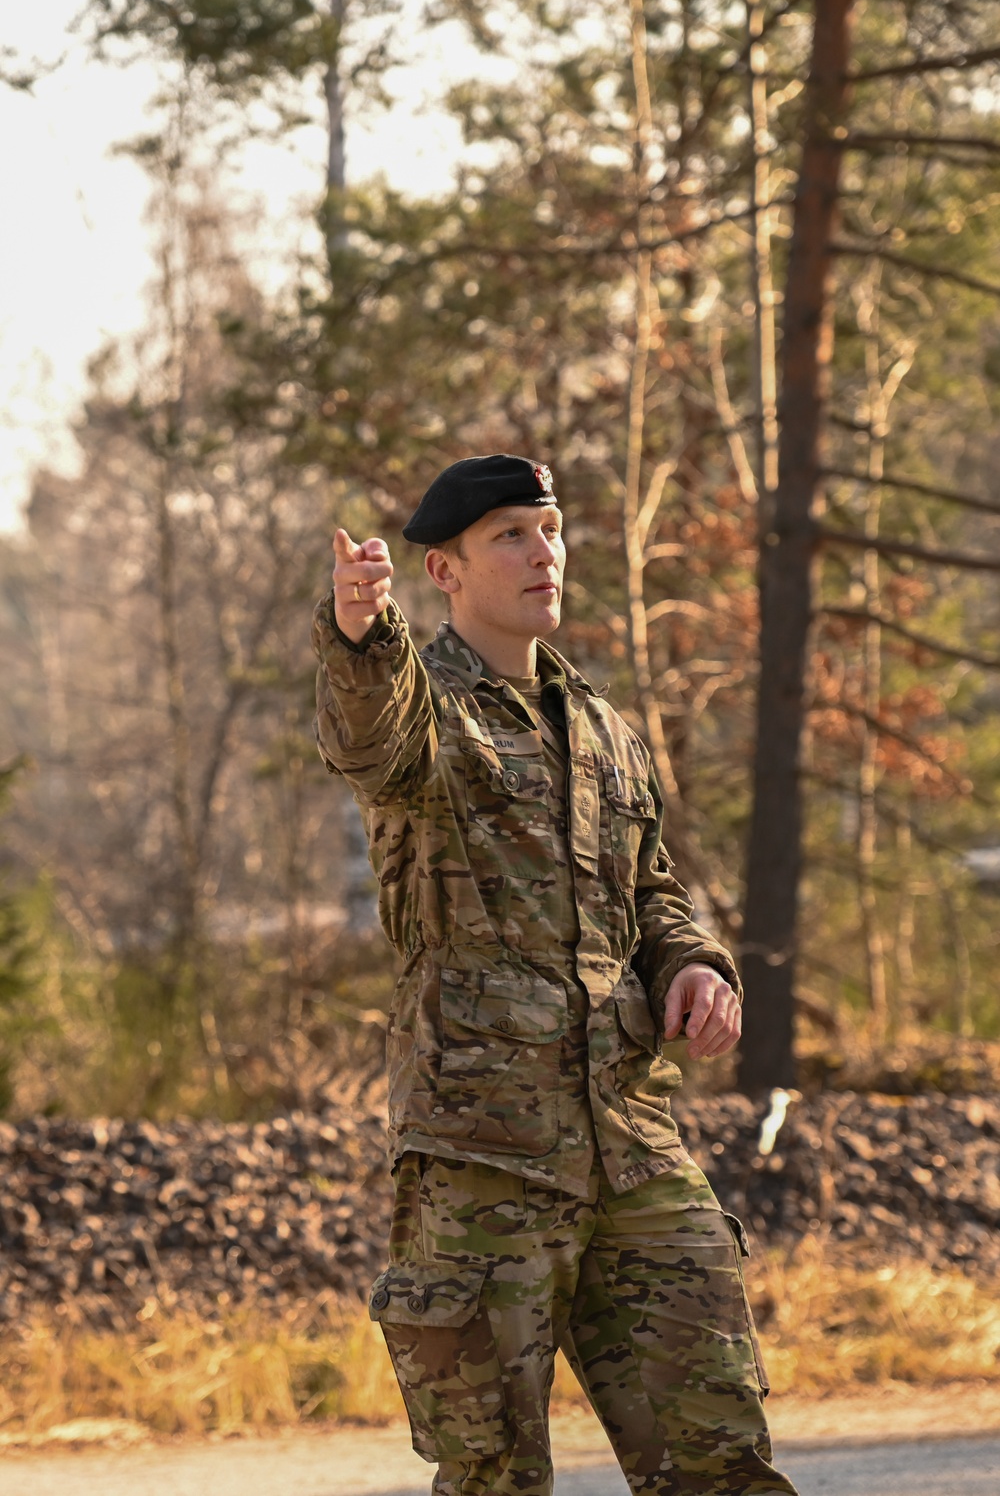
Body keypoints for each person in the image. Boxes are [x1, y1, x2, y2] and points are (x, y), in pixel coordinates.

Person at [312, 454, 798, 1496]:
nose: (543, 553)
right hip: (483, 1161)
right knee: (495, 1475)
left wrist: (696, 965)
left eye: (551, 529)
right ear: (442, 570)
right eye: (509, 537)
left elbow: (652, 888)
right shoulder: (427, 711)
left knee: (721, 1461)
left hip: (631, 1145)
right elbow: (370, 734)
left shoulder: (606, 732)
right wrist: (362, 634)